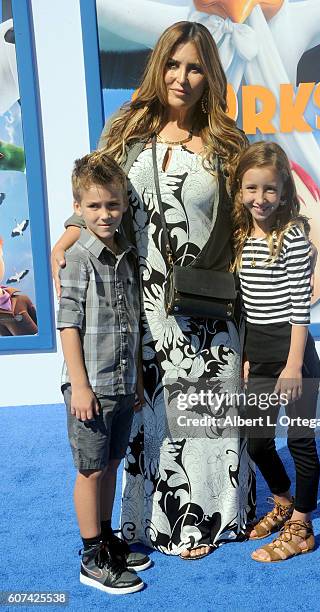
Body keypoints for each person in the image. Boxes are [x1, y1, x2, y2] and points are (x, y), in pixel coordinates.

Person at [52, 21, 255, 560]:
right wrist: (70, 230)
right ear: (157, 66)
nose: (182, 77)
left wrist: (257, 328)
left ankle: (212, 520)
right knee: (152, 420)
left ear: (210, 74)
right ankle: (144, 526)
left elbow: (244, 231)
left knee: (209, 419)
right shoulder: (126, 130)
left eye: (194, 67)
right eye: (173, 64)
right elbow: (96, 193)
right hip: (140, 308)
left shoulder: (228, 144)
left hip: (210, 313)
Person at [57, 152, 151, 594]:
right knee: (90, 470)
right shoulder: (78, 258)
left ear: (124, 205)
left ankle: (108, 535)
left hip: (120, 383)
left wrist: (133, 379)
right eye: (93, 206)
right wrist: (79, 384)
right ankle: (91, 553)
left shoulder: (125, 254)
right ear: (78, 208)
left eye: (112, 205)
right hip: (89, 386)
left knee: (112, 463)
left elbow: (131, 321)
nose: (104, 214)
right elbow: (68, 324)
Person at [232, 141, 320, 562]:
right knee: (258, 443)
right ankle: (283, 500)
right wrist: (249, 356)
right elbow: (248, 305)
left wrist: (293, 365)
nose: (260, 198)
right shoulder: (240, 238)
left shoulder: (293, 239)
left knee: (301, 440)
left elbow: (299, 310)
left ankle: (302, 525)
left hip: (294, 356)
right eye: (252, 188)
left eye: (269, 189)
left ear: (284, 192)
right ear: (240, 190)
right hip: (260, 356)